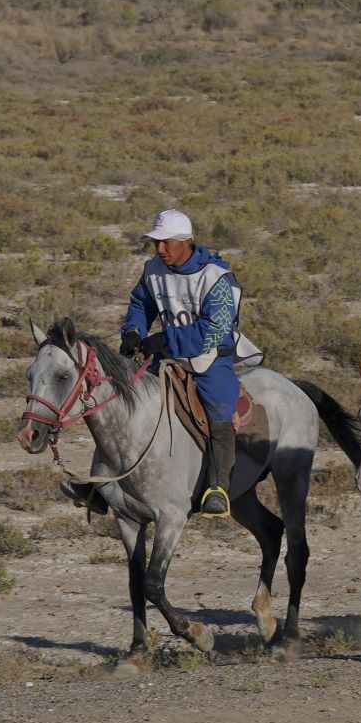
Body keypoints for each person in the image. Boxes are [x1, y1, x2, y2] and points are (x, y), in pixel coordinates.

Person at [119, 209, 264, 518]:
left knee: (220, 410)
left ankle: (218, 487)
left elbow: (214, 332)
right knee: (123, 400)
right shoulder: (153, 269)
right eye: (156, 243)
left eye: (166, 243)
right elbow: (140, 304)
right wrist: (133, 331)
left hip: (210, 360)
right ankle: (103, 483)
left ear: (186, 242)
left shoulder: (218, 278)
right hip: (164, 357)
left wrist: (164, 340)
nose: (159, 249)